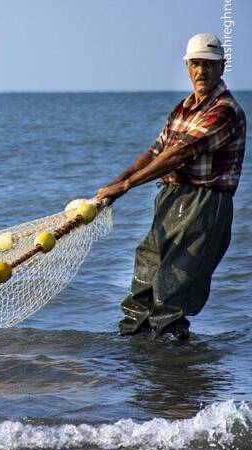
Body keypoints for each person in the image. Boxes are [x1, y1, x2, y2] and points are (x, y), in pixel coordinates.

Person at [96, 33, 245, 340]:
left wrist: (127, 185)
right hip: (170, 198)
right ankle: (129, 354)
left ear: (222, 67)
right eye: (195, 64)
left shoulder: (225, 110)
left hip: (204, 204)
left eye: (208, 64)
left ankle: (174, 375)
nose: (200, 72)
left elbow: (178, 154)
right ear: (187, 66)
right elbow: (157, 151)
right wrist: (117, 181)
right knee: (145, 280)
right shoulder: (183, 109)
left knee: (172, 291)